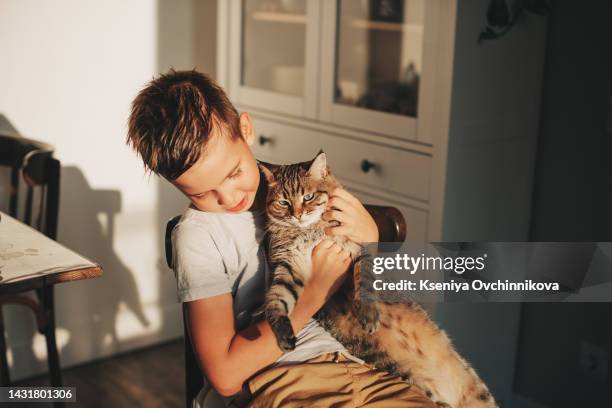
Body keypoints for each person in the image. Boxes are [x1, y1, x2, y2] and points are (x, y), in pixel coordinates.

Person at [126, 69, 436, 408]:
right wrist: (315, 292)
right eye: (203, 193)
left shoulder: (300, 187)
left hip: (363, 365)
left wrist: (370, 240)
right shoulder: (197, 237)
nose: (229, 197)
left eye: (234, 173)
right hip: (282, 377)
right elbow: (226, 377)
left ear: (245, 130)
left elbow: (371, 294)